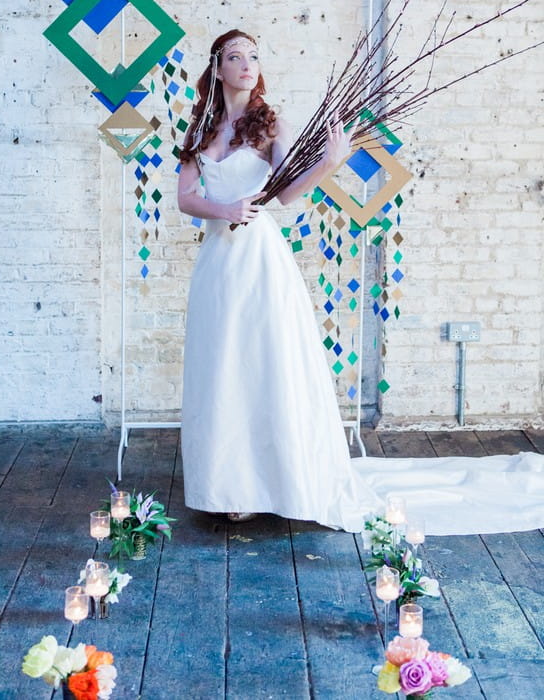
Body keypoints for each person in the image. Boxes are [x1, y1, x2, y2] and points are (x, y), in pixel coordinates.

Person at [177, 29, 544, 536]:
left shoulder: (270, 123)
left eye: (254, 56)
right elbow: (186, 198)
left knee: (264, 362)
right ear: (216, 68)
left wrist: (330, 162)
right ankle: (227, 485)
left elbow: (287, 196)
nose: (247, 64)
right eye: (235, 57)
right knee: (221, 367)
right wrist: (224, 208)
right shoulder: (201, 128)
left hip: (260, 261)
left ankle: (273, 481)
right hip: (217, 262)